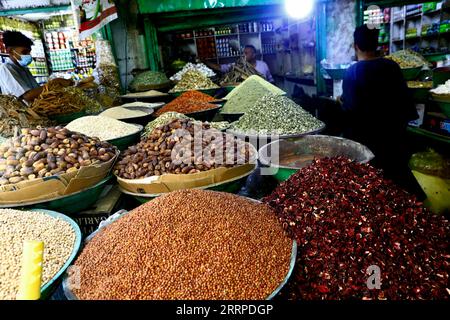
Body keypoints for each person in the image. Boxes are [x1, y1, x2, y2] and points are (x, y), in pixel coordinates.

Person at [339, 25, 419, 191]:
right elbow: (406, 108)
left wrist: (341, 102)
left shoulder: (352, 72)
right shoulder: (392, 67)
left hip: (368, 151)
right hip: (395, 147)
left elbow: (349, 111)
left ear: (356, 46)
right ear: (376, 45)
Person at [0, 31, 72, 103]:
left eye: (29, 52)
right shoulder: (6, 69)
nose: (29, 55)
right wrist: (54, 83)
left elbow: (37, 90)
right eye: (24, 52)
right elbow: (27, 96)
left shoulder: (24, 69)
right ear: (11, 51)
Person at [205, 45, 274, 83]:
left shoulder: (263, 65)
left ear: (254, 55)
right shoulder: (237, 65)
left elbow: (271, 80)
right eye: (243, 53)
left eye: (246, 53)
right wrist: (205, 61)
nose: (244, 55)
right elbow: (220, 67)